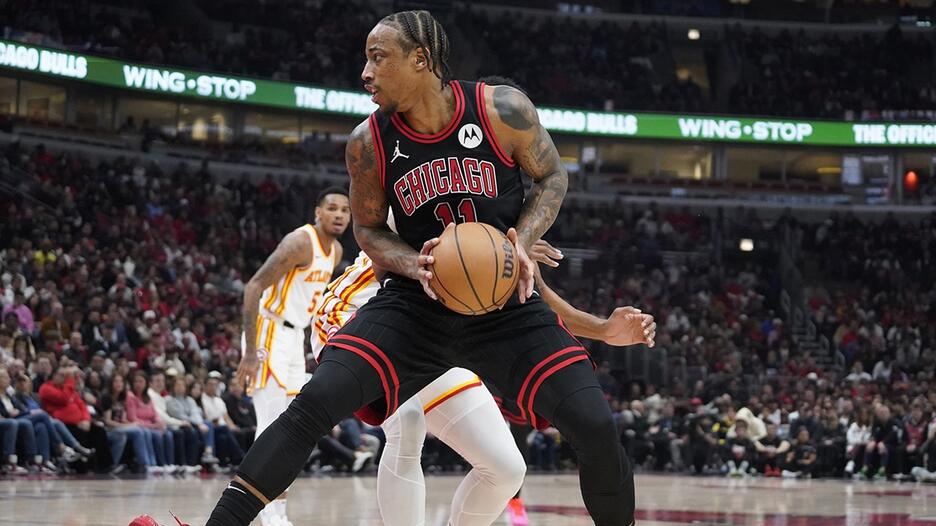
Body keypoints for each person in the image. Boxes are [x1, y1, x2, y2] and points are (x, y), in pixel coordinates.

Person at [203, 11, 645, 526]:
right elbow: (368, 230)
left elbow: (552, 177)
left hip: (505, 311)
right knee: (313, 405)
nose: (365, 73)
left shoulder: (502, 109)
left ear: (421, 59)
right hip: (415, 304)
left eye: (378, 58)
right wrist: (415, 263)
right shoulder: (367, 142)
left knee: (593, 425)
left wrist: (521, 242)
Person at [238, 186, 349, 526]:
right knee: (271, 424)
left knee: (292, 429)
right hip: (269, 331)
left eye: (345, 210)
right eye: (332, 208)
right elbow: (253, 287)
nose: (339, 215)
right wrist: (250, 353)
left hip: (294, 337)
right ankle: (266, 513)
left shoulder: (336, 251)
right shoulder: (300, 242)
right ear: (318, 212)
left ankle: (279, 511)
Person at [126, 371, 176, 472]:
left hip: (150, 425)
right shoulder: (130, 397)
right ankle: (157, 463)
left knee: (168, 434)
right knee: (155, 434)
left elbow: (155, 415)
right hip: (140, 426)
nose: (138, 384)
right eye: (136, 381)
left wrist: (160, 423)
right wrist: (153, 426)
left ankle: (169, 464)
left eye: (141, 381)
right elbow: (133, 418)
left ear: (146, 383)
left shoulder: (148, 397)